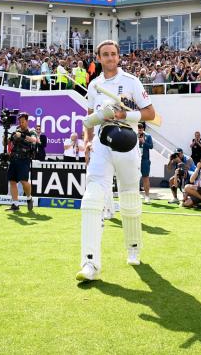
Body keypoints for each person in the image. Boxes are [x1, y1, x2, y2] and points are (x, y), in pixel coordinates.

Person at [75, 39, 156, 282]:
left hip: (127, 143)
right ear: (98, 58)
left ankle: (133, 248)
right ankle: (90, 264)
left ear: (118, 57)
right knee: (91, 199)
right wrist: (88, 140)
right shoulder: (94, 85)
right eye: (105, 55)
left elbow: (151, 114)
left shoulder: (131, 81)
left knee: (129, 196)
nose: (110, 58)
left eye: (113, 54)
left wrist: (123, 114)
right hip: (101, 144)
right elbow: (90, 116)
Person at [5, 112, 37, 212]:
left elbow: (34, 140)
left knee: (23, 181)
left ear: (27, 121)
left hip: (24, 159)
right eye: (20, 121)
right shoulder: (16, 130)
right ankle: (15, 204)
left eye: (23, 121)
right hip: (14, 158)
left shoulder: (31, 131)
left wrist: (22, 136)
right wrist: (6, 137)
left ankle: (29, 198)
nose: (21, 123)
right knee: (12, 181)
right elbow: (6, 142)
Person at [138, 122, 153, 204]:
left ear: (143, 129)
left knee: (145, 178)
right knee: (134, 178)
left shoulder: (148, 136)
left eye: (141, 128)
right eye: (138, 128)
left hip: (145, 160)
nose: (139, 130)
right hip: (135, 159)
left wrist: (144, 142)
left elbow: (151, 146)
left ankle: (147, 196)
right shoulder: (133, 135)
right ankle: (136, 195)